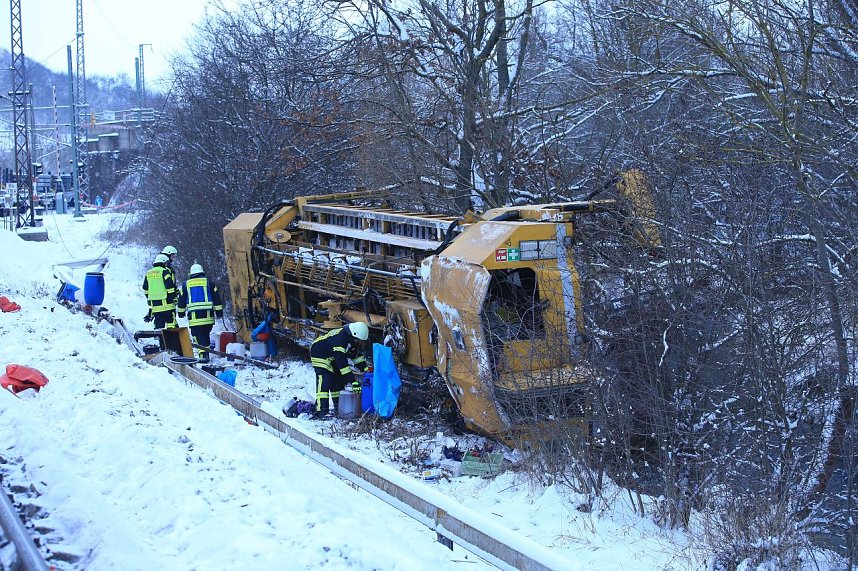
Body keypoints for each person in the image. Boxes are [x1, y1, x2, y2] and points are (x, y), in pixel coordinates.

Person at [310, 322, 370, 418]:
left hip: (332, 355)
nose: (360, 343)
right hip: (319, 353)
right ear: (354, 335)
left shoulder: (351, 340)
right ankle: (321, 410)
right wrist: (353, 382)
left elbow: (356, 357)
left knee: (337, 380)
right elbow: (343, 365)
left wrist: (366, 370)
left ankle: (338, 407)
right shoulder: (340, 341)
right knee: (325, 379)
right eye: (359, 341)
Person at [176, 263, 223, 363]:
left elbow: (181, 300)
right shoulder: (209, 283)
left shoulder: (186, 285)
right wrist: (219, 312)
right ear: (202, 272)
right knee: (205, 334)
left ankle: (203, 355)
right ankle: (206, 354)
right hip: (208, 317)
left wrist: (181, 313)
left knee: (198, 335)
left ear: (191, 274)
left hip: (195, 318)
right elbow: (216, 298)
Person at [142, 253, 178, 329]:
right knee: (171, 326)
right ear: (164, 262)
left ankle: (160, 340)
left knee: (159, 328)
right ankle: (171, 340)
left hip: (155, 307)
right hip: (168, 306)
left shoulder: (148, 273)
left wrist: (151, 298)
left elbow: (145, 289)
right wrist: (173, 298)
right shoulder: (164, 271)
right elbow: (170, 287)